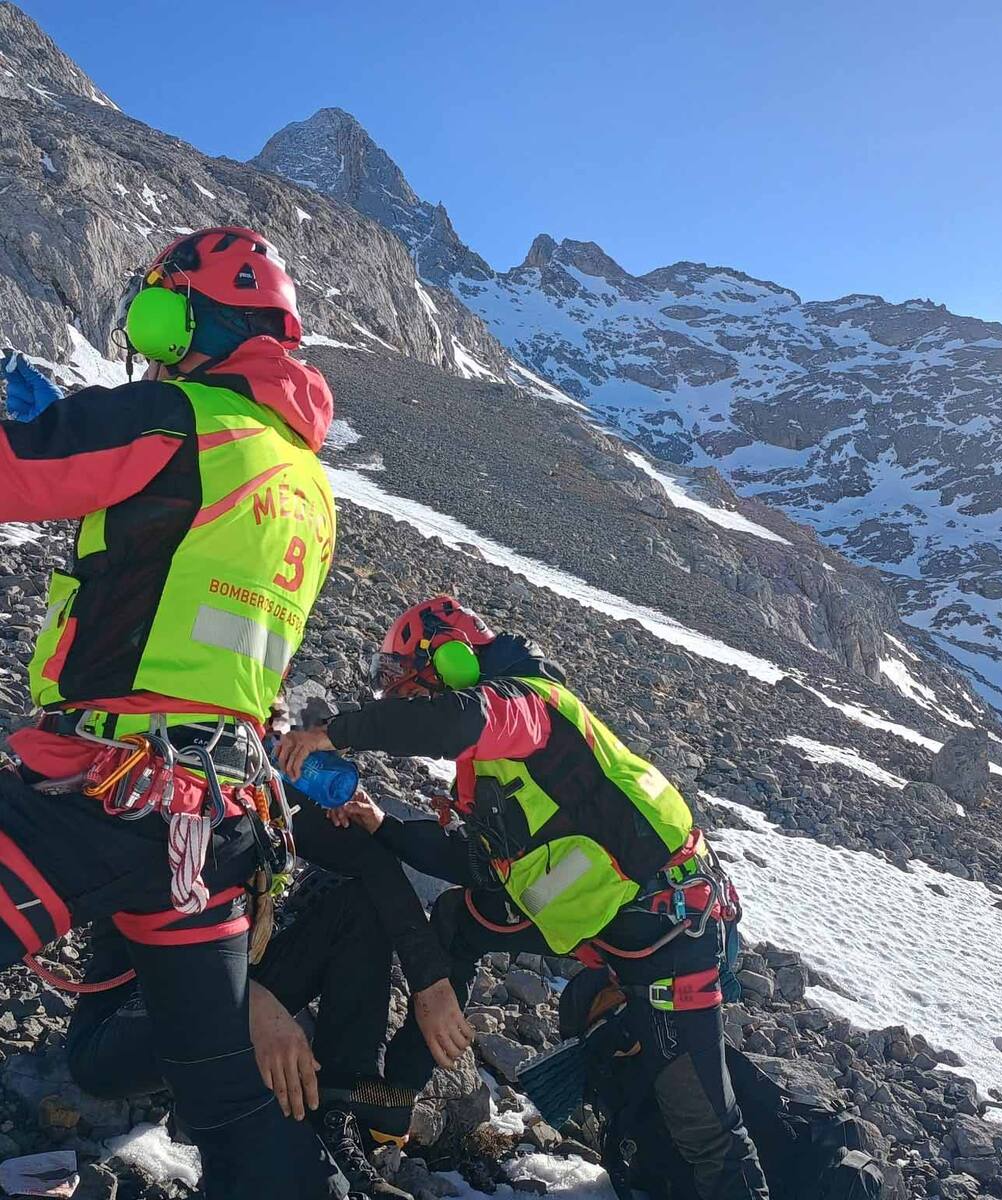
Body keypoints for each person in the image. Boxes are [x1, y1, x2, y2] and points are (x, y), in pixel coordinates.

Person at [0, 226, 350, 1199]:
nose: (149, 345)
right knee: (232, 1103)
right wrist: (72, 426)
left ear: (203, 319)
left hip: (98, 792)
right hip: (213, 823)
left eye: (160, 316)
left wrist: (52, 432)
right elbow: (181, 572)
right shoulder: (302, 479)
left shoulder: (172, 415)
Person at [278, 595, 770, 1200]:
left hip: (671, 929)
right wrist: (384, 825)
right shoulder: (489, 764)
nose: (399, 700)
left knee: (705, 1130)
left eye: (405, 683)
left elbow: (452, 722)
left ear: (453, 662)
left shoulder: (525, 707)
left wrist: (335, 731)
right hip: (604, 923)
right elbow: (481, 867)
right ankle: (393, 1108)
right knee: (458, 918)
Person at [66, 869, 421, 1199]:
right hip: (119, 1023)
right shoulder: (157, 814)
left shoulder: (244, 812)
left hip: (224, 982)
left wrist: (432, 980)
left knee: (360, 899)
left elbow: (369, 858)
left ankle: (335, 1111)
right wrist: (245, 996)